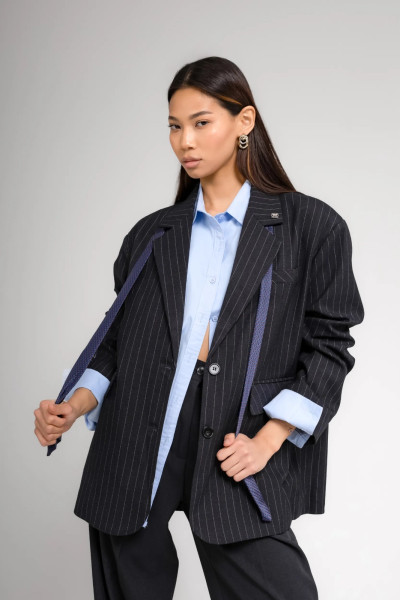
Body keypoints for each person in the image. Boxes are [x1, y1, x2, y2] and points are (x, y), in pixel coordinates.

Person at [34, 56, 364, 599]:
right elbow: (118, 340)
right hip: (138, 433)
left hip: (239, 432)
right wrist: (77, 404)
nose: (184, 141)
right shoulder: (151, 235)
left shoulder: (311, 227)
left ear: (244, 121)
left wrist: (269, 440)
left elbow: (330, 345)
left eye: (200, 122)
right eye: (174, 126)